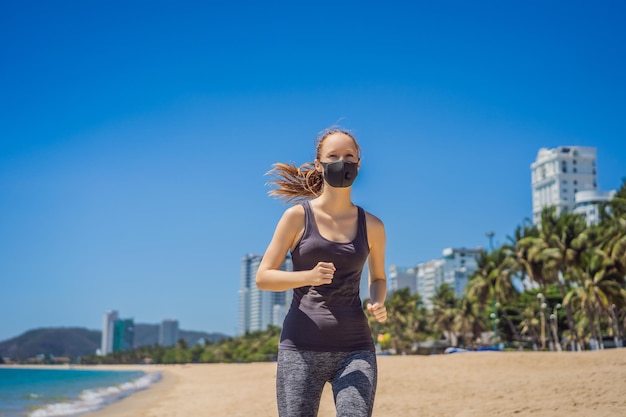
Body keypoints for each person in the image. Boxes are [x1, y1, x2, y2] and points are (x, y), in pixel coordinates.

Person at [256, 127, 387, 417]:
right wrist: (308, 277)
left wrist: (378, 301)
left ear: (359, 163)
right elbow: (263, 277)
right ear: (319, 164)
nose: (343, 162)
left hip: (356, 348)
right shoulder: (297, 217)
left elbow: (378, 278)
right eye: (334, 156)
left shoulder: (373, 225)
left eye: (349, 156)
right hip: (300, 348)